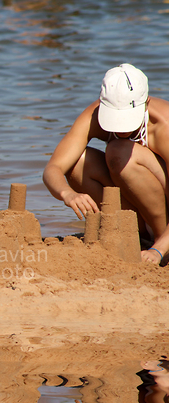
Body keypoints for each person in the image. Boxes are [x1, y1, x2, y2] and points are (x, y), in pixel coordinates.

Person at [42, 63, 169, 265]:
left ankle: (160, 242)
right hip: (139, 211)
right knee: (78, 165)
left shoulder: (164, 126)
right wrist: (67, 193)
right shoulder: (93, 115)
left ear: (146, 103)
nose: (120, 127)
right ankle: (133, 236)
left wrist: (159, 250)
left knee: (118, 151)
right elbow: (53, 168)